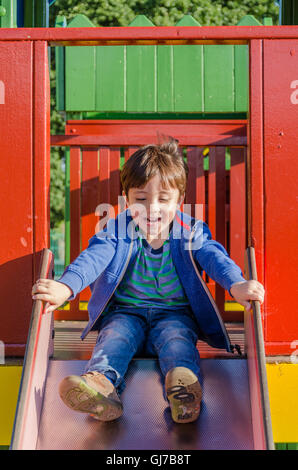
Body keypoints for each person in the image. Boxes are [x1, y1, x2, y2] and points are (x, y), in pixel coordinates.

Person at [31, 140, 265, 424]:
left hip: (174, 314)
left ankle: (184, 393)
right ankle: (101, 389)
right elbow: (93, 258)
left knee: (178, 342)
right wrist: (66, 287)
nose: (152, 208)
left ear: (179, 200)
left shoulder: (189, 230)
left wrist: (236, 284)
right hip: (126, 313)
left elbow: (213, 256)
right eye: (141, 199)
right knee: (114, 337)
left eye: (163, 199)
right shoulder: (117, 229)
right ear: (127, 199)